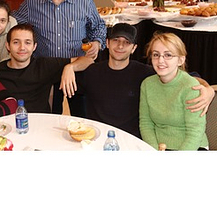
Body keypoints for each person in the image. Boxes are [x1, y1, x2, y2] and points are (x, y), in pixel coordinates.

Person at [74, 23, 214, 139]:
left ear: (134, 48)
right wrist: (70, 67)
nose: (120, 46)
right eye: (116, 40)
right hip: (99, 139)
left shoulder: (146, 74)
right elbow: (61, 80)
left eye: (127, 42)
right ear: (107, 43)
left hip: (133, 141)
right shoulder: (92, 72)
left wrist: (208, 90)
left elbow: (185, 77)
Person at [11, 0, 106, 117]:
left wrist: (97, 42)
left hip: (77, 65)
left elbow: (98, 25)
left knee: (81, 116)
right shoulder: (32, 3)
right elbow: (13, 21)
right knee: (49, 116)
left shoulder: (84, 1)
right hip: (46, 68)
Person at [0, 24, 94, 113]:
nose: (22, 47)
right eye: (16, 42)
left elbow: (88, 61)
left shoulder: (44, 65)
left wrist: (70, 67)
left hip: (41, 125)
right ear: (8, 46)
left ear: (34, 47)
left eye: (27, 42)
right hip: (8, 127)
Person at [139, 32, 209, 150]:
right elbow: (146, 124)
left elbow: (195, 131)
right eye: (156, 55)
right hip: (160, 148)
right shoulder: (147, 84)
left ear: (181, 60)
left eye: (168, 55)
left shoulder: (190, 87)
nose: (160, 60)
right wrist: (153, 150)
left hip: (192, 148)